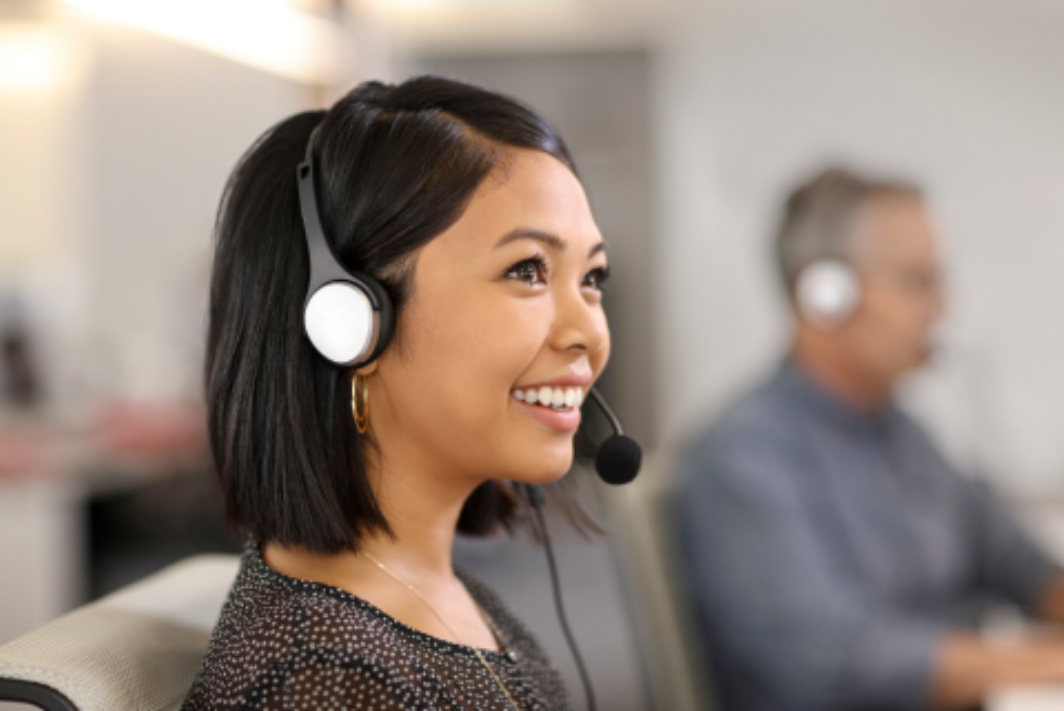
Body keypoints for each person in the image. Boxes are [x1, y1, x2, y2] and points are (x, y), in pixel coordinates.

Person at [182, 76, 612, 710]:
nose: (588, 333)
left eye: (592, 278)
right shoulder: (324, 678)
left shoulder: (438, 598)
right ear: (351, 324)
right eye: (528, 270)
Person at [674, 167, 1064, 711]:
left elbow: (1020, 564)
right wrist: (1045, 664)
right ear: (825, 295)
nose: (942, 309)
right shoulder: (747, 454)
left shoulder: (904, 436)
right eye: (916, 282)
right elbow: (833, 665)